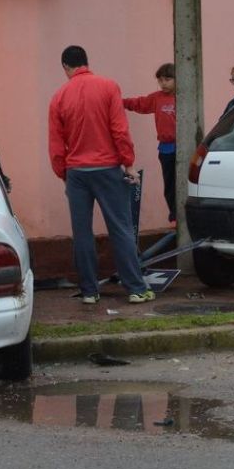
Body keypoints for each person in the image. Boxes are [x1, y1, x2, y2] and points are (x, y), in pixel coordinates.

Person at [48, 45, 153, 305]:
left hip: (76, 174)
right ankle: (136, 289)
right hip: (107, 169)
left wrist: (64, 173)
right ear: (87, 62)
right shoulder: (109, 87)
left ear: (65, 67)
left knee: (82, 232)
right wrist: (127, 163)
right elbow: (119, 129)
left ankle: (89, 291)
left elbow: (56, 143)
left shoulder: (59, 96)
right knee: (121, 228)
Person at [123, 62, 178, 225]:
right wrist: (120, 102)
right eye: (160, 80)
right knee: (169, 185)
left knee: (184, 184)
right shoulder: (157, 98)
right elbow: (139, 103)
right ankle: (174, 215)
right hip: (166, 148)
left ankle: (186, 214)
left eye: (168, 79)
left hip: (183, 147)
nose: (163, 83)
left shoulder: (184, 96)